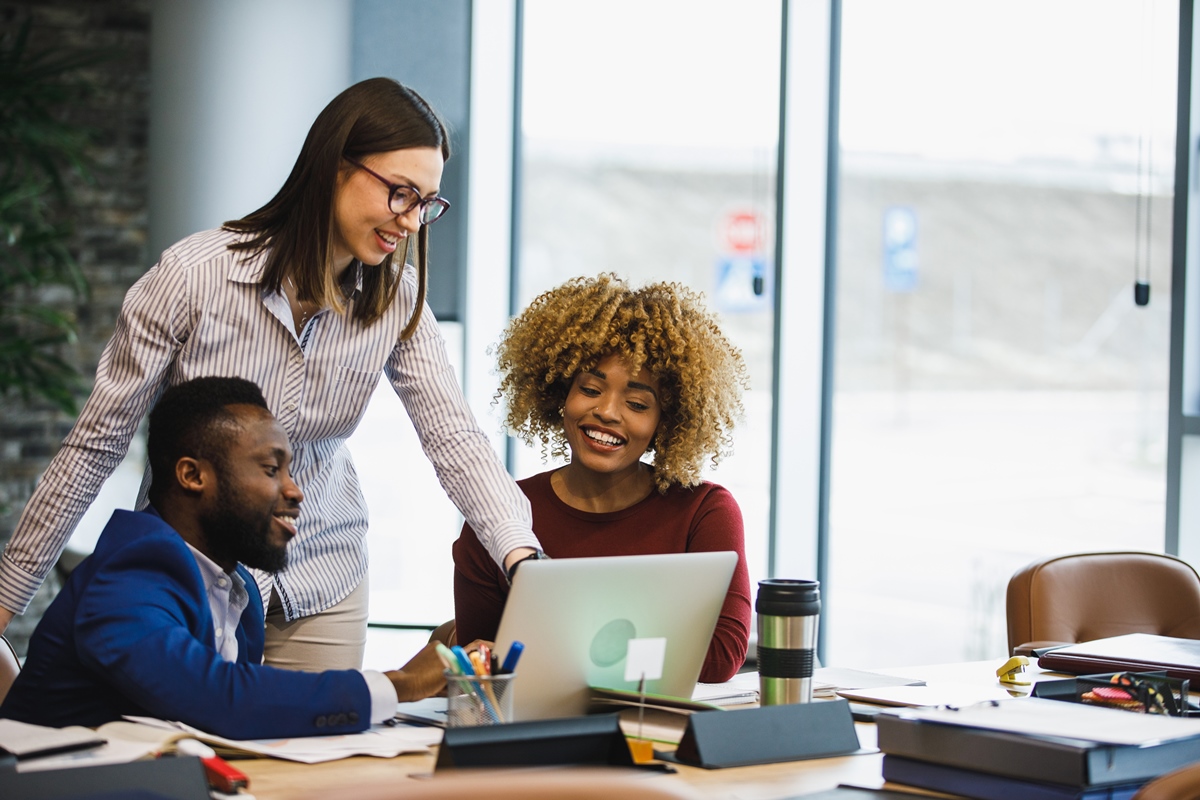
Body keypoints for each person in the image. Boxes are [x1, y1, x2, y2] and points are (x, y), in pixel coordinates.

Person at [0, 78, 541, 670]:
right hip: (193, 572)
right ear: (336, 166)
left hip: (320, 574)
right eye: (401, 194)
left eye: (427, 203)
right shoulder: (193, 277)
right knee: (193, 753)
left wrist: (521, 556)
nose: (412, 222)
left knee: (317, 754)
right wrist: (6, 600)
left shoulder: (396, 300)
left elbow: (454, 438)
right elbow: (95, 445)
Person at [0, 377, 460, 739]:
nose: (295, 490)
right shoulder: (131, 573)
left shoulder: (238, 593)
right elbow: (217, 699)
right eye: (270, 468)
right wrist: (401, 683)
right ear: (191, 475)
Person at [453, 274, 753, 683]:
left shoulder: (704, 512)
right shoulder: (498, 515)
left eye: (636, 402)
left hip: (655, 735)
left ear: (667, 421)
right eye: (591, 389)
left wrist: (553, 645)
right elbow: (484, 663)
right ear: (559, 394)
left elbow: (720, 658)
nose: (608, 412)